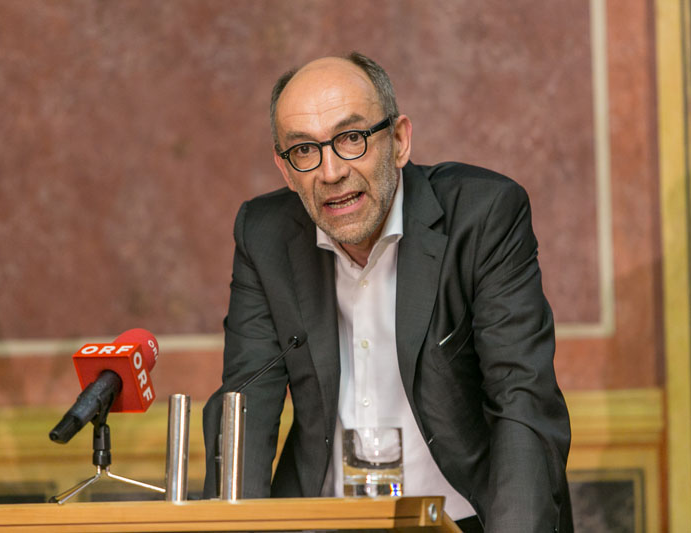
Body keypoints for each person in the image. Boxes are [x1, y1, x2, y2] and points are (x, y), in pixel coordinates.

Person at [202, 51, 573, 533]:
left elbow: (521, 397)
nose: (331, 172)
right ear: (285, 169)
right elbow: (245, 408)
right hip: (322, 521)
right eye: (305, 150)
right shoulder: (264, 234)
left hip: (463, 518)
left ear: (399, 141)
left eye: (351, 139)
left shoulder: (482, 216)